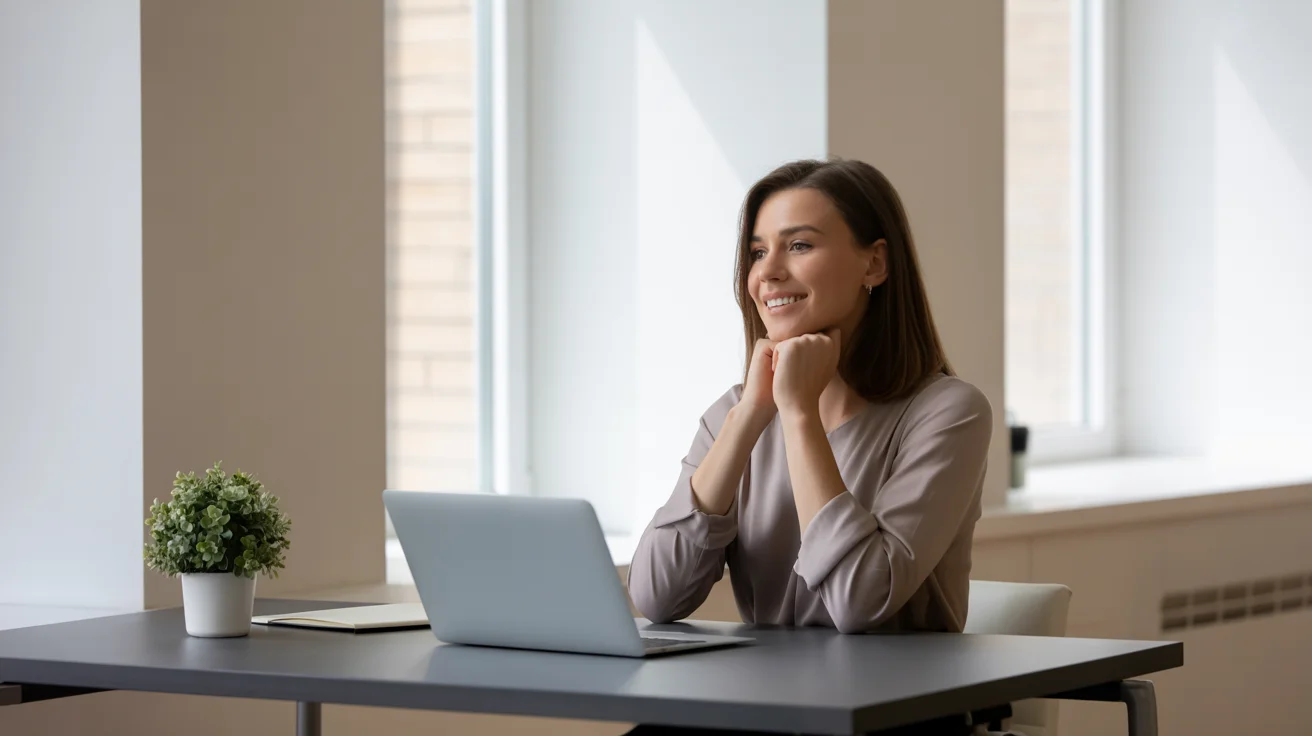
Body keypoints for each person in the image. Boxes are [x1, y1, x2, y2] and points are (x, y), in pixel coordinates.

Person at [622, 158, 992, 735]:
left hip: (894, 720)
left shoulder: (948, 413)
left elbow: (858, 603)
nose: (767, 273)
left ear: (875, 261)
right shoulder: (734, 412)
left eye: (798, 246)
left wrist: (799, 415)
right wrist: (750, 417)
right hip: (768, 708)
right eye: (756, 252)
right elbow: (657, 595)